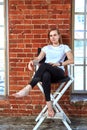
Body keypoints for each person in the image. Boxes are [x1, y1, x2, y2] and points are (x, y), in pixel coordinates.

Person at [12, 28, 74, 117]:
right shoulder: (46, 48)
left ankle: (28, 88)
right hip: (47, 71)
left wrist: (60, 63)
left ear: (59, 36)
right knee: (45, 75)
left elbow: (71, 60)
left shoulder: (64, 47)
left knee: (44, 65)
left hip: (59, 71)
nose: (53, 37)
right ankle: (49, 107)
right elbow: (38, 59)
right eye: (51, 36)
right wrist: (32, 62)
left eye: (55, 35)